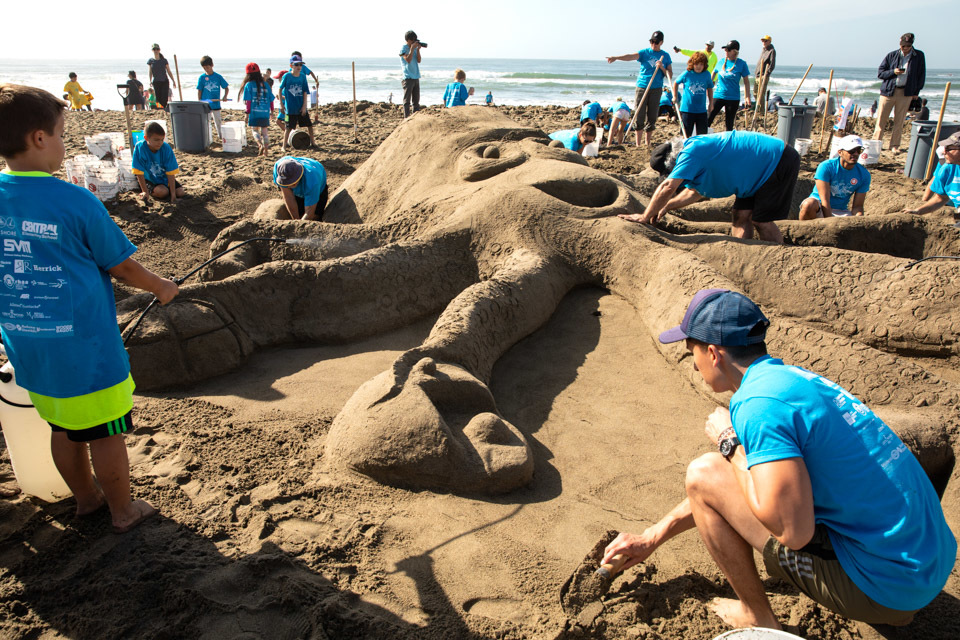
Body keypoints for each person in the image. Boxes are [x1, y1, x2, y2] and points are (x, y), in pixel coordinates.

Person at [602, 288, 955, 631]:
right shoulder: (790, 381)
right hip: (927, 562)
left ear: (713, 353)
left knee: (703, 472)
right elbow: (738, 485)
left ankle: (758, 616)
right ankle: (895, 604)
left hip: (887, 588)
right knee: (721, 472)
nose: (694, 366)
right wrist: (652, 537)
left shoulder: (758, 405)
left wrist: (729, 443)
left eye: (690, 350)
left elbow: (793, 532)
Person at [0, 84, 179, 534]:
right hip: (87, 347)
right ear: (39, 138)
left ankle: (86, 500)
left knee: (63, 428)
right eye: (61, 134)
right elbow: (119, 264)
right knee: (106, 433)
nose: (64, 143)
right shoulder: (74, 200)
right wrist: (160, 286)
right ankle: (123, 511)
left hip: (28, 347)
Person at [619, 131, 799, 243]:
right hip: (753, 172)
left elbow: (668, 187)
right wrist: (666, 206)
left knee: (761, 220)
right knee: (740, 215)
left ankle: (778, 254)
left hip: (777, 160)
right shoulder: (695, 152)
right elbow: (694, 193)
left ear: (674, 163)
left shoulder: (691, 152)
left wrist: (644, 216)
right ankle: (743, 251)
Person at [606, 30, 673, 146]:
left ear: (661, 42)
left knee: (652, 116)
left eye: (656, 42)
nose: (653, 44)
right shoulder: (645, 53)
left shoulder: (665, 56)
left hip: (656, 89)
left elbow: (669, 75)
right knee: (639, 114)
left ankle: (647, 143)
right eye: (651, 41)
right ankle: (638, 144)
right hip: (642, 87)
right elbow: (630, 56)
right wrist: (616, 57)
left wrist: (661, 67)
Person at [873, 33, 925, 153]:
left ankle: (895, 146)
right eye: (903, 46)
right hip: (888, 91)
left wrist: (916, 92)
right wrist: (893, 72)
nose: (905, 48)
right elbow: (880, 73)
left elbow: (921, 74)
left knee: (899, 120)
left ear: (911, 45)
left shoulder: (919, 56)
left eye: (907, 46)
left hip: (906, 92)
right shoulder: (891, 55)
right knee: (881, 119)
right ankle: (876, 143)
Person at [798, 135, 870, 220]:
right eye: (851, 151)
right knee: (808, 204)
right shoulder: (826, 167)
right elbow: (825, 201)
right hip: (819, 208)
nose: (855, 154)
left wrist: (859, 220)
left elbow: (857, 206)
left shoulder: (864, 174)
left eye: (859, 150)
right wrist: (830, 224)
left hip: (841, 212)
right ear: (840, 152)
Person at [903, 131, 960, 215]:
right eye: (945, 148)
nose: (944, 152)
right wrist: (918, 211)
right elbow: (940, 198)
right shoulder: (947, 168)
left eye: (948, 149)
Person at [131, 122, 185, 203]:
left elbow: (170, 172)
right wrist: (144, 191)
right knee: (163, 192)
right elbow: (138, 171)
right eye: (156, 140)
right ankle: (154, 191)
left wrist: (173, 196)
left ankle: (169, 191)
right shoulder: (140, 147)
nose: (160, 142)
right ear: (146, 138)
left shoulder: (166, 148)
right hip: (148, 179)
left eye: (162, 139)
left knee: (180, 192)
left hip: (163, 177)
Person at [708, 41, 752, 132]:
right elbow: (714, 72)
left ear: (734, 51)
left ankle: (728, 143)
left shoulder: (741, 64)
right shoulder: (721, 62)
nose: (726, 52)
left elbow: (746, 82)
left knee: (729, 123)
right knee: (709, 117)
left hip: (733, 98)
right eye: (725, 50)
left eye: (728, 50)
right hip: (719, 95)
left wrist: (747, 96)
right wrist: (710, 83)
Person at [274, 156, 328, 221]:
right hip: (302, 187)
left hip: (318, 187)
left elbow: (309, 213)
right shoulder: (279, 170)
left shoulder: (312, 180)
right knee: (299, 215)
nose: (291, 184)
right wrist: (296, 221)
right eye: (288, 183)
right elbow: (288, 196)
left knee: (315, 217)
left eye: (293, 181)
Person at [673, 52, 714, 137]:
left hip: (701, 110)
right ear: (692, 64)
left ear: (704, 65)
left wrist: (711, 103)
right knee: (685, 135)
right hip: (687, 110)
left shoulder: (706, 74)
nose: (698, 66)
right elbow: (676, 83)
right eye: (696, 64)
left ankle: (700, 150)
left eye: (701, 64)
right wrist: (675, 96)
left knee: (702, 136)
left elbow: (710, 88)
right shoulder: (687, 74)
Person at [280, 56, 314, 151]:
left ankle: (313, 143)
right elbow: (280, 89)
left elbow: (305, 92)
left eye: (300, 64)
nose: (299, 66)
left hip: (300, 106)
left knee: (309, 125)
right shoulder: (287, 76)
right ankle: (284, 146)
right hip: (290, 108)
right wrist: (281, 105)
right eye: (296, 64)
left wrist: (304, 106)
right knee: (288, 127)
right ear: (291, 65)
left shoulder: (302, 77)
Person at [242, 63, 274, 156]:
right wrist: (271, 112)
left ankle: (260, 145)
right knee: (265, 132)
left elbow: (248, 102)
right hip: (265, 113)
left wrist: (246, 114)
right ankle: (266, 151)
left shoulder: (248, 85)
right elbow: (271, 100)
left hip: (254, 113)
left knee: (255, 130)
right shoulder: (266, 85)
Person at [197, 56, 230, 141]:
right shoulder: (202, 78)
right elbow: (199, 90)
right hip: (206, 104)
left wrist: (225, 96)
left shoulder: (218, 77)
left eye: (207, 67)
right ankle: (208, 138)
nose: (206, 69)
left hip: (216, 104)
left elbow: (226, 87)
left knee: (218, 121)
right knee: (207, 122)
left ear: (212, 65)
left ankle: (220, 136)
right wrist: (199, 100)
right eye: (204, 68)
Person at [400, 30, 424, 118]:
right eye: (413, 40)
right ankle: (406, 118)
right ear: (408, 40)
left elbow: (419, 60)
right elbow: (408, 60)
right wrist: (412, 48)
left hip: (416, 76)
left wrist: (417, 50)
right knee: (407, 101)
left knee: (416, 101)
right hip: (408, 77)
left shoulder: (414, 49)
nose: (414, 42)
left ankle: (415, 118)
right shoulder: (403, 49)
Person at [147, 43, 175, 109]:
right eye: (154, 49)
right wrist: (150, 80)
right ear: (152, 50)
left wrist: (173, 80)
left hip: (164, 81)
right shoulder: (151, 61)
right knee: (158, 97)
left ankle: (164, 108)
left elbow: (168, 71)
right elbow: (150, 71)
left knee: (164, 96)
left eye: (157, 49)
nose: (156, 51)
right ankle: (160, 109)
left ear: (159, 50)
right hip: (156, 81)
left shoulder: (164, 60)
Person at [754, 35, 776, 114]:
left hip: (763, 75)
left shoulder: (772, 50)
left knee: (761, 94)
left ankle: (761, 111)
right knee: (755, 93)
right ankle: (758, 108)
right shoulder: (763, 50)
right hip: (758, 75)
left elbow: (772, 64)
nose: (764, 42)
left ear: (769, 41)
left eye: (765, 41)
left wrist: (766, 73)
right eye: (763, 41)